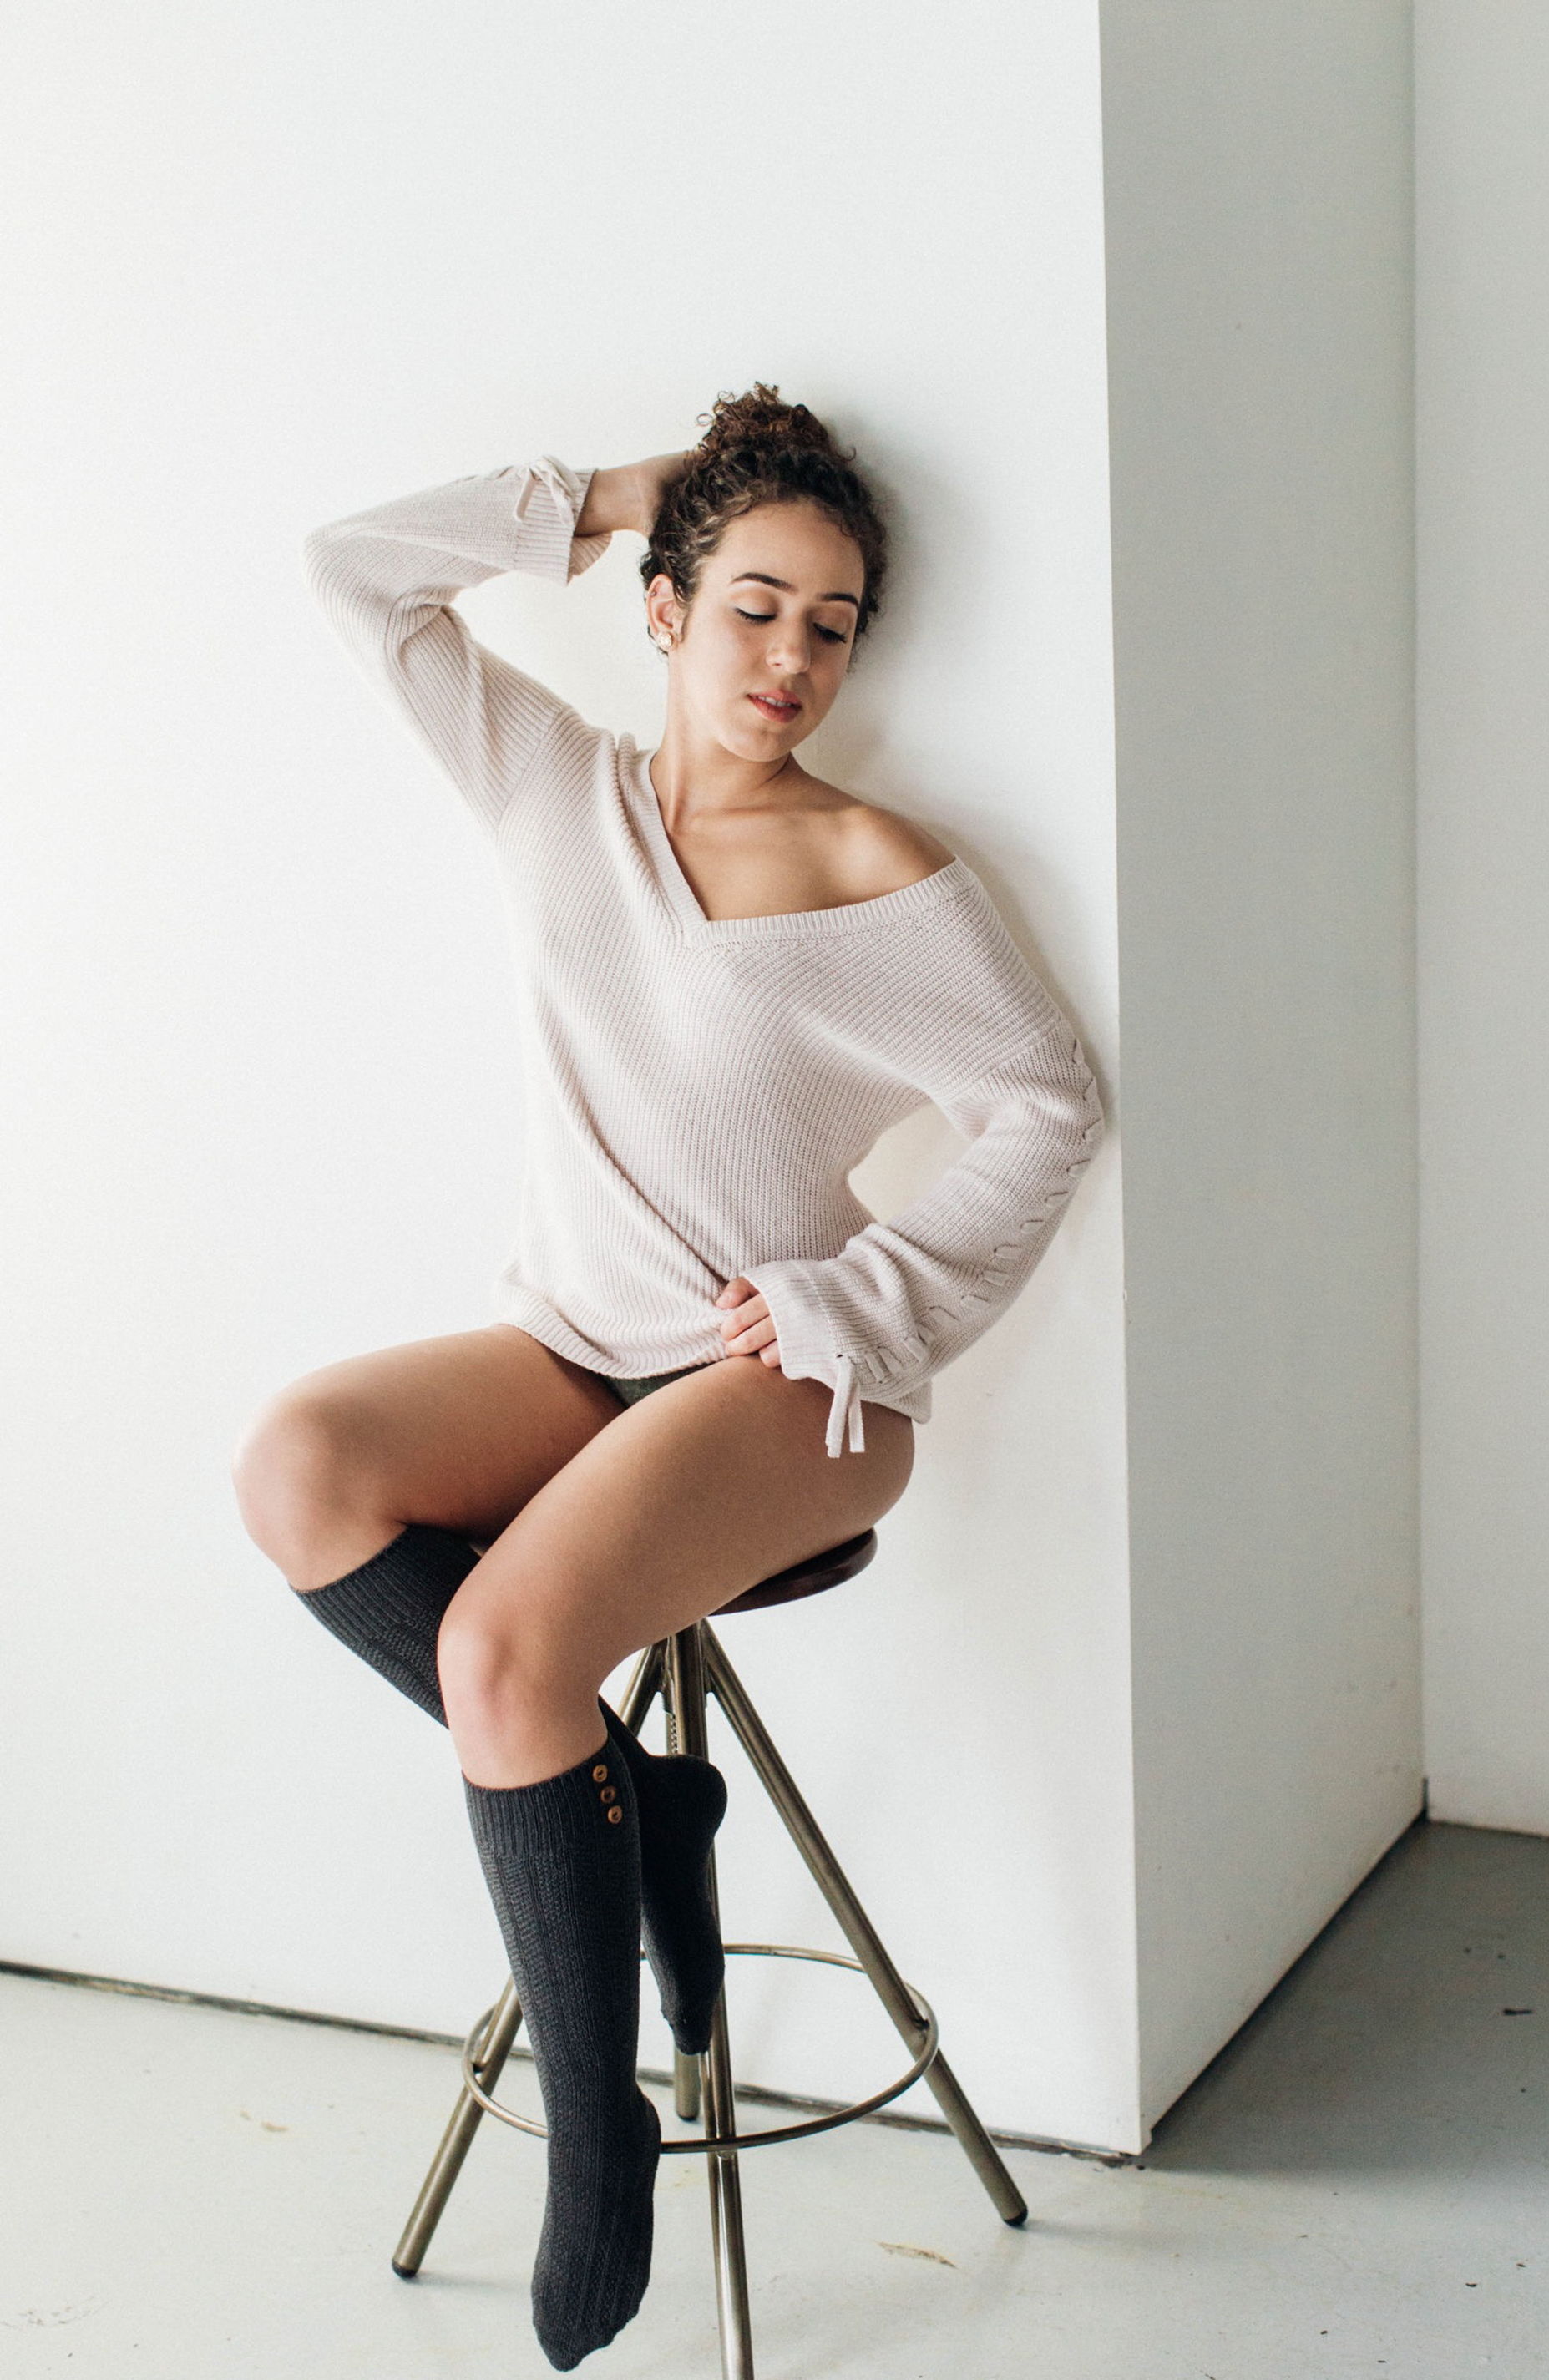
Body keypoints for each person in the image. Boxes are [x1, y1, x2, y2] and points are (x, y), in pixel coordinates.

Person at [230, 383, 1105, 2368]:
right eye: (750, 606)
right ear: (661, 608)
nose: (790, 658)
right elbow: (354, 577)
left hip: (791, 1396)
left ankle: (597, 2125)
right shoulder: (559, 792)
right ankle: (638, 1804)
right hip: (571, 1347)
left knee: (501, 1655)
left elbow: (1048, 1105)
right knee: (296, 1464)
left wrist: (856, 1291)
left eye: (832, 625)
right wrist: (622, 492)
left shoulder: (868, 859)